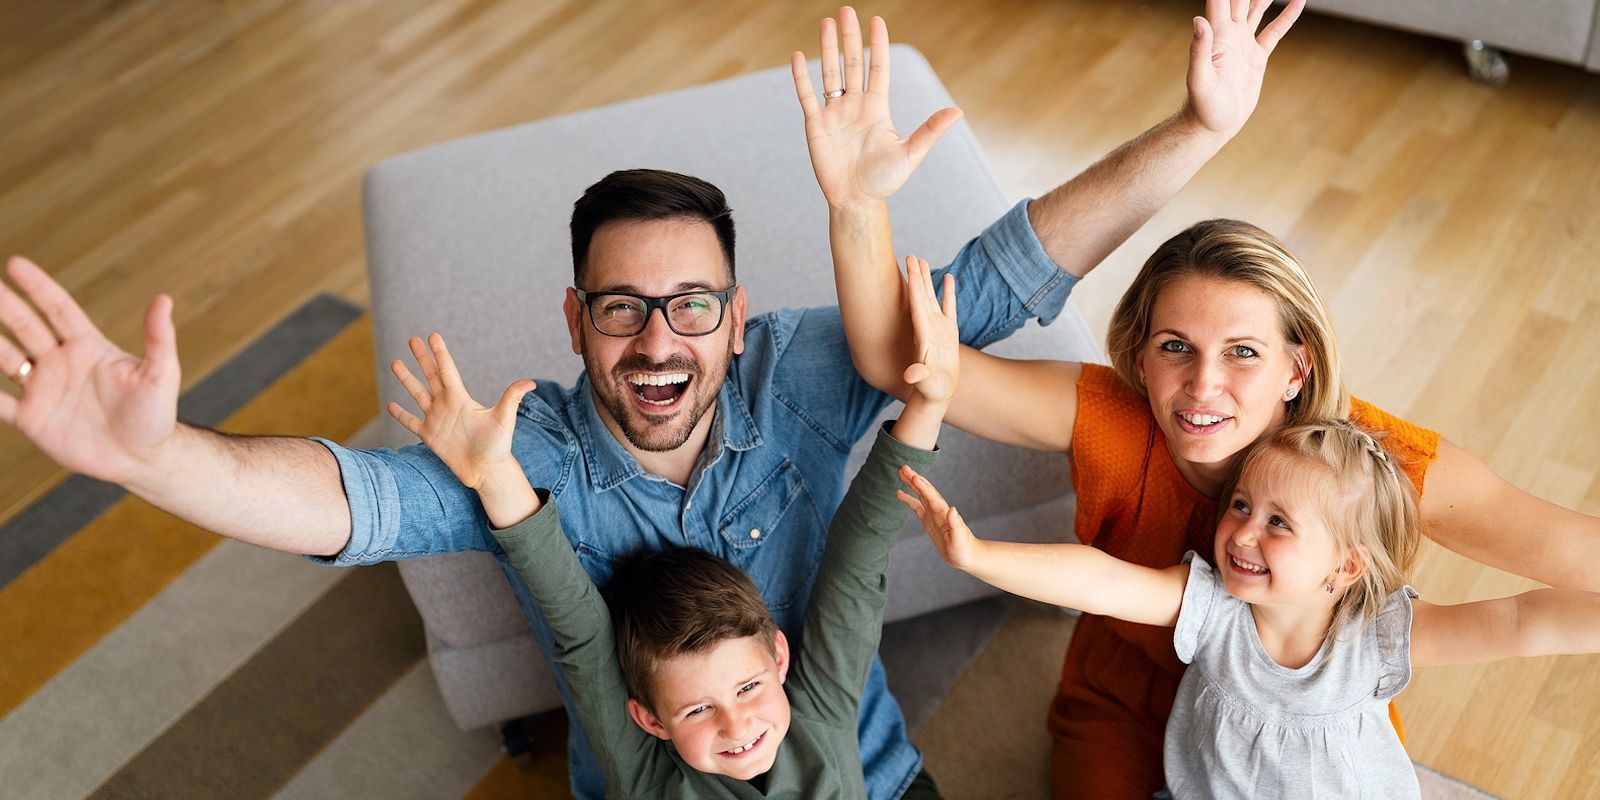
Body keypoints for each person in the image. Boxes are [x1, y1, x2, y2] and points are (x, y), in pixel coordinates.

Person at [0, 6, 1287, 797]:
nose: (657, 340)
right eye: (620, 307)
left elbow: (999, 278)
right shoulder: (534, 448)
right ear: (574, 323)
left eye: (690, 306)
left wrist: (1194, 130)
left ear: (735, 316)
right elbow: (355, 498)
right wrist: (153, 454)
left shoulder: (798, 369)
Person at [834, 217, 1600, 794]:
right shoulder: (1111, 415)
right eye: (1175, 347)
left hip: (1310, 728)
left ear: (1297, 367)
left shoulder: (1372, 465)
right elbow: (891, 359)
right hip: (1125, 710)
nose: (1203, 387)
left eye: (1243, 351)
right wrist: (855, 200)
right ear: (1140, 355)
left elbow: (1547, 591)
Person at [387, 255, 958, 798]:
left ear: (779, 659)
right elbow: (579, 633)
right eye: (697, 709)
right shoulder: (644, 777)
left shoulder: (823, 715)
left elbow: (855, 569)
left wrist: (927, 405)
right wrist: (494, 478)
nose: (737, 726)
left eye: (748, 687)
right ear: (650, 720)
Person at [897, 417, 1600, 799]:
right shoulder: (1212, 607)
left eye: (1279, 523)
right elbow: (1104, 581)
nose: (1242, 531)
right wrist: (977, 556)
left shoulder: (1377, 638)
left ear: (1346, 566)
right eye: (1240, 506)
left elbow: (1519, 621)